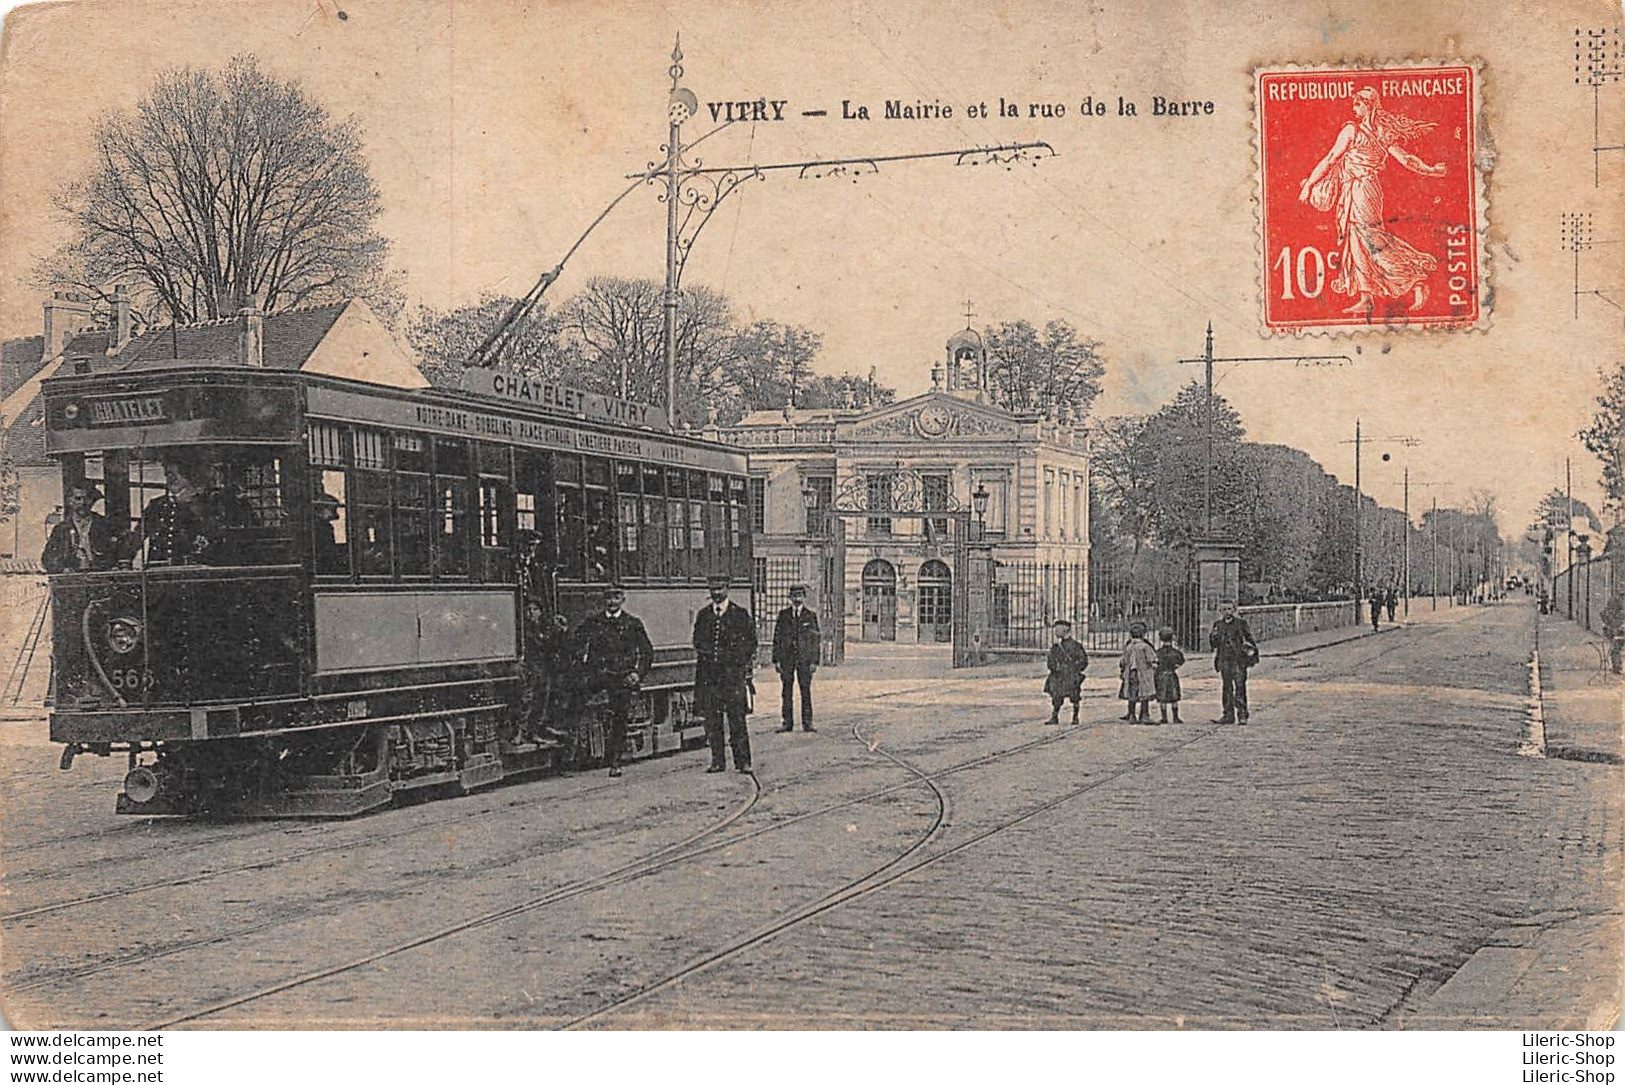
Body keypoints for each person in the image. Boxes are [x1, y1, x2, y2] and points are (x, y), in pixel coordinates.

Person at [1297, 86, 1447, 318]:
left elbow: (1329, 159)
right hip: (1367, 190)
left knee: (1369, 240)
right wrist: (1431, 170)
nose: (1353, 108)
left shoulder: (1351, 130)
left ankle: (1413, 281)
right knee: (1360, 241)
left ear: (1367, 106)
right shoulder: (1382, 132)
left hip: (1360, 190)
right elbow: (1407, 159)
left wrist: (1308, 186)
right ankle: (1367, 297)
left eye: (1357, 104)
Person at [572, 585, 654, 777]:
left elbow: (647, 652)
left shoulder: (632, 623)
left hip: (622, 678)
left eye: (616, 597)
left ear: (623, 599)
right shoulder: (594, 622)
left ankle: (615, 761)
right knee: (576, 700)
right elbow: (576, 643)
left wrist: (637, 674)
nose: (612, 601)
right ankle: (578, 750)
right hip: (599, 677)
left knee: (620, 718)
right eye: (608, 597)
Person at [692, 574, 757, 773]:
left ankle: (743, 761)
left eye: (720, 589)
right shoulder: (703, 615)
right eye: (713, 589)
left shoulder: (740, 614)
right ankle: (718, 761)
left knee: (737, 720)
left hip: (732, 677)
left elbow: (750, 643)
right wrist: (709, 654)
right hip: (710, 679)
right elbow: (697, 641)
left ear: (728, 588)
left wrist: (735, 661)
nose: (716, 593)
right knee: (713, 722)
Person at [130, 457, 211, 566]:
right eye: (168, 475)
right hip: (157, 568)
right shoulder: (156, 505)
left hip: (188, 568)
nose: (170, 479)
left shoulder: (201, 505)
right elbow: (138, 535)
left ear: (188, 477)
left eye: (175, 474)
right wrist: (124, 558)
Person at [517, 601, 572, 744]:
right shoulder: (525, 628)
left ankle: (538, 729)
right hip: (530, 667)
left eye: (535, 609)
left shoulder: (544, 627)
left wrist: (561, 631)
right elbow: (539, 644)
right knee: (528, 699)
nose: (531, 612)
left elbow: (554, 645)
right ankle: (522, 732)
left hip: (543, 667)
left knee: (543, 697)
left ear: (540, 612)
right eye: (529, 609)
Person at [772, 584, 821, 733]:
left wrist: (814, 661)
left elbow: (815, 640)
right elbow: (777, 638)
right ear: (790, 598)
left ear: (804, 597)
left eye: (800, 595)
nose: (797, 598)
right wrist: (776, 660)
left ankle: (808, 723)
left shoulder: (810, 616)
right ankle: (787, 722)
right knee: (786, 691)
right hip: (787, 659)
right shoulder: (783, 615)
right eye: (794, 596)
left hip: (804, 660)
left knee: (805, 691)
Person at [41, 482, 118, 573]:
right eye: (78, 499)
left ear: (92, 501)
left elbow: (117, 553)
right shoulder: (61, 529)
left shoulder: (104, 525)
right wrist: (62, 569)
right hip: (72, 578)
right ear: (70, 501)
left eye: (87, 498)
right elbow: (47, 559)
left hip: (101, 575)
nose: (83, 503)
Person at [1210, 601, 1259, 725]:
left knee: (1240, 688)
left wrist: (1251, 655)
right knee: (1227, 688)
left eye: (1229, 609)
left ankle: (1242, 715)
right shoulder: (1218, 625)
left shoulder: (1241, 624)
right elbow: (1214, 645)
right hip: (1224, 660)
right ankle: (1228, 715)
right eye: (1224, 609)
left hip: (1238, 660)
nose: (1227, 611)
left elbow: (1250, 640)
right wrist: (1213, 636)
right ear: (1220, 611)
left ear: (1234, 610)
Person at [1044, 619, 1089, 725]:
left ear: (1066, 630)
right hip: (1059, 675)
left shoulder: (1076, 646)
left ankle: (1075, 716)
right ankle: (1055, 716)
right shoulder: (1056, 647)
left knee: (1074, 696)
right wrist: (1055, 667)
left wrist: (1074, 668)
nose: (1055, 632)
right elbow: (1050, 661)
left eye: (1058, 629)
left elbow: (1084, 661)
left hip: (1070, 675)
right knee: (1057, 696)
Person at [1117, 621, 1158, 724]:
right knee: (1144, 694)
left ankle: (1131, 715)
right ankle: (1144, 715)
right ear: (1143, 634)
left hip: (1131, 674)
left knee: (1132, 694)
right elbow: (1152, 659)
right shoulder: (1145, 646)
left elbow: (1123, 661)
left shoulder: (1129, 647)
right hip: (1143, 674)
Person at [1154, 626, 1185, 725]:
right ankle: (1175, 717)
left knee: (1162, 698)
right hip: (1172, 675)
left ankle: (1164, 718)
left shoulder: (1158, 652)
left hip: (1162, 675)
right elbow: (1181, 660)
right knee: (1174, 697)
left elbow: (1155, 663)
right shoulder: (1176, 652)